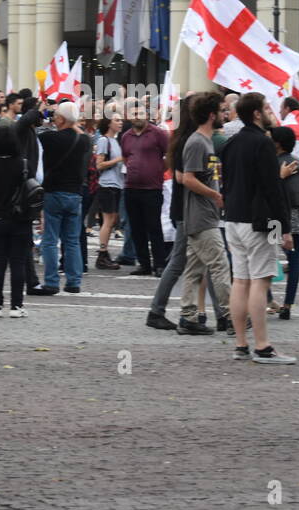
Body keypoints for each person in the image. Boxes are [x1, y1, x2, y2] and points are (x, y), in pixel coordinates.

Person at [221, 92, 295, 364]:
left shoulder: (230, 144)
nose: (270, 111)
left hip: (233, 219)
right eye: (265, 107)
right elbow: (272, 189)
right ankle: (263, 346)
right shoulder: (262, 144)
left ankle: (241, 344)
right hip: (258, 221)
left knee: (240, 280)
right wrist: (284, 230)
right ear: (256, 113)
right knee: (260, 281)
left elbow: (226, 184)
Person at [175, 93, 231, 336]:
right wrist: (214, 195)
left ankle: (187, 316)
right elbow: (187, 178)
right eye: (221, 111)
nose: (224, 115)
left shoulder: (205, 141)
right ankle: (232, 314)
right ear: (211, 115)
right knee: (220, 264)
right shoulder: (198, 142)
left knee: (195, 268)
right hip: (201, 215)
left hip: (202, 214)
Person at [35, 102, 91, 295]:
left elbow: (37, 133)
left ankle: (51, 281)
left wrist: (44, 111)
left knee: (50, 239)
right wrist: (71, 119)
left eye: (56, 116)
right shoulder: (83, 141)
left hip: (54, 192)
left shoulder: (50, 138)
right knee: (72, 240)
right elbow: (81, 132)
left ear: (61, 119)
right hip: (75, 193)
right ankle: (74, 281)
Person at [0, 125, 33, 318]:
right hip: (20, 220)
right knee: (18, 263)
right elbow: (34, 193)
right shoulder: (24, 165)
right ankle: (16, 306)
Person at [119, 102, 169, 277]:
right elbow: (126, 158)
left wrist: (157, 169)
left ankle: (160, 264)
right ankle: (144, 264)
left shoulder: (158, 133)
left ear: (146, 115)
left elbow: (168, 154)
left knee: (154, 227)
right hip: (131, 188)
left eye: (141, 113)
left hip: (152, 188)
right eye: (134, 113)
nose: (138, 116)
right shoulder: (126, 136)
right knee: (136, 228)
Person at [268, 126, 299, 321]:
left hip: (276, 216)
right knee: (294, 261)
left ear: (277, 143)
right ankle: (288, 304)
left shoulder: (270, 164)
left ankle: (267, 299)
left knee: (268, 257)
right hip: (298, 215)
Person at [92, 114, 125, 270]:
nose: (120, 122)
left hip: (117, 184)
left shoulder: (115, 141)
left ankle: (104, 253)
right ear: (108, 123)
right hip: (107, 184)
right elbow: (99, 164)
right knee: (107, 220)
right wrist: (118, 160)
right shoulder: (104, 140)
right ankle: (102, 254)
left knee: (111, 220)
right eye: (116, 120)